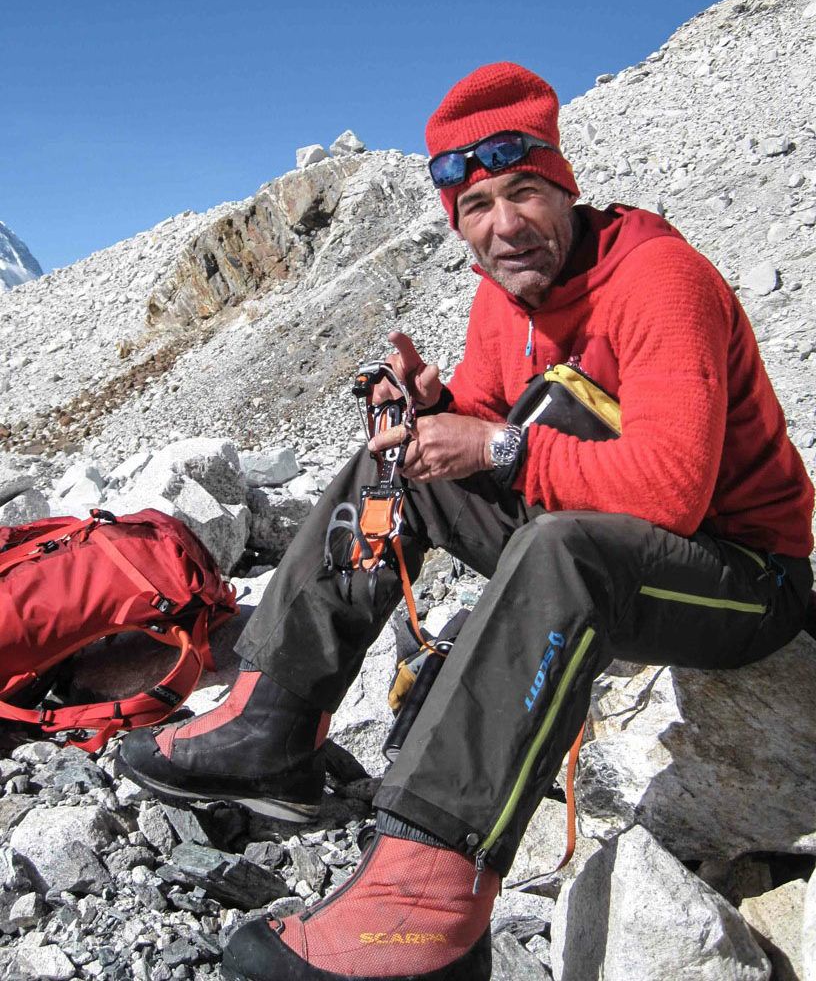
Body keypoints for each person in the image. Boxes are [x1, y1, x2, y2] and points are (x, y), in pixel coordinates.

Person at [118, 62, 815, 981]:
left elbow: (671, 494)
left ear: (564, 187)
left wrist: (497, 450)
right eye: (478, 204)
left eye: (525, 191)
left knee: (563, 552)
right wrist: (433, 406)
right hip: (618, 539)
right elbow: (489, 411)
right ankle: (271, 727)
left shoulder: (659, 280)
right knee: (391, 463)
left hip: (744, 579)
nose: (504, 223)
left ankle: (426, 900)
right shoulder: (509, 294)